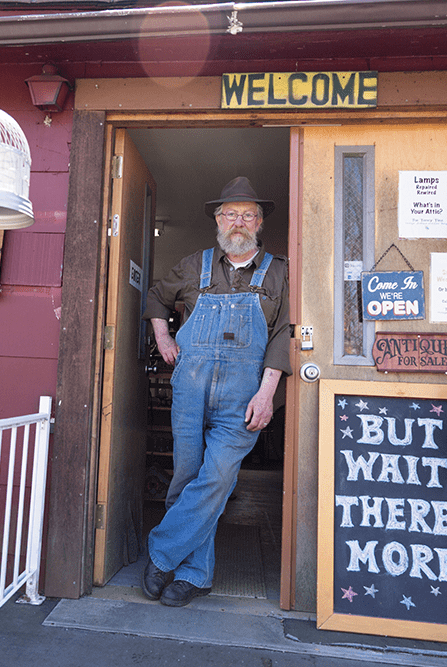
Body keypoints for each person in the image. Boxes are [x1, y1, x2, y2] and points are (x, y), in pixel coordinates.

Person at [141, 176, 291, 607]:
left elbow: (284, 334)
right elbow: (156, 296)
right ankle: (195, 574)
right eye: (230, 214)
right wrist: (164, 339)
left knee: (217, 477)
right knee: (186, 480)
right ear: (218, 221)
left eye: (247, 214)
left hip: (244, 398)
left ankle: (163, 550)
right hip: (189, 391)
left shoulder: (279, 272)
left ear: (259, 222)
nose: (238, 222)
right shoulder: (194, 265)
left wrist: (267, 394)